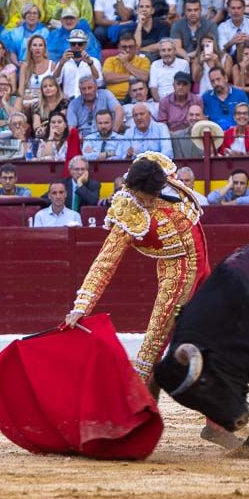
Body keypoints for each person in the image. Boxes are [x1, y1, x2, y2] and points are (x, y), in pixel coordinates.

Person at [64, 154, 209, 394]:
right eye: (145, 198)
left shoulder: (157, 168)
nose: (150, 202)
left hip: (201, 258)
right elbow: (105, 262)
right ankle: (136, 402)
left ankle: (215, 420)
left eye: (152, 196)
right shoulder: (128, 211)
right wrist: (82, 305)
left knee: (211, 329)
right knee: (156, 338)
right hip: (177, 269)